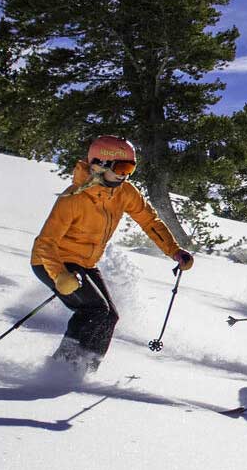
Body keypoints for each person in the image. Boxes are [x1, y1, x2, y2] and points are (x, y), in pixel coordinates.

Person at [30, 135, 194, 374]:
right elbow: (45, 242)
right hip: (52, 261)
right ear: (98, 164)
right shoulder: (73, 198)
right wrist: (59, 274)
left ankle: (86, 369)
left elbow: (149, 221)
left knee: (109, 317)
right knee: (94, 310)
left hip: (85, 263)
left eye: (131, 168)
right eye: (121, 167)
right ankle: (62, 369)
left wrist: (174, 251)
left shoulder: (124, 192)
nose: (125, 174)